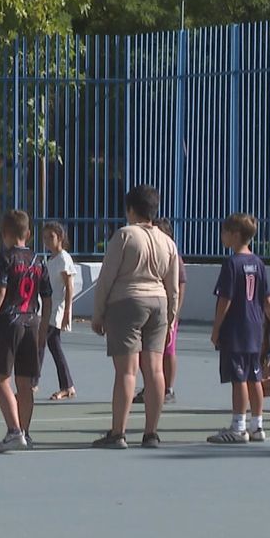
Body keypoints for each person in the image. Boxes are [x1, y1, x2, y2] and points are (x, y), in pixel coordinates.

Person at [91, 185, 180, 449]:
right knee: (154, 370)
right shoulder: (168, 242)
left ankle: (118, 432)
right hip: (159, 303)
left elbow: (106, 278)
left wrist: (98, 314)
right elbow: (173, 287)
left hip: (127, 302)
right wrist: (171, 319)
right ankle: (151, 432)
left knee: (126, 371)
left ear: (130, 209)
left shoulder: (125, 236)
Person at [0, 209, 53, 453]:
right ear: (28, 234)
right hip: (32, 321)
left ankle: (13, 431)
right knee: (25, 382)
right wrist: (44, 326)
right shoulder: (38, 260)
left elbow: (0, 292)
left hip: (9, 322)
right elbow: (47, 297)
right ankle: (25, 432)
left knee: (1, 378)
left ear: (4, 234)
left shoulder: (5, 257)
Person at [206, 213, 270, 445]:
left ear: (235, 235)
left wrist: (216, 329)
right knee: (255, 377)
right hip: (254, 325)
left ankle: (238, 426)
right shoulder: (259, 263)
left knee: (239, 378)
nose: (222, 235)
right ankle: (258, 425)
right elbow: (266, 298)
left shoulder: (232, 264)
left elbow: (225, 299)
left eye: (224, 231)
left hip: (236, 327)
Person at [135, 219, 186, 404]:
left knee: (168, 351)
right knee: (144, 350)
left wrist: (175, 313)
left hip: (167, 311)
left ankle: (168, 389)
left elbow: (180, 286)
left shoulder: (173, 255)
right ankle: (151, 385)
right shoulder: (150, 253)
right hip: (151, 308)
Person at [41, 221, 77, 400]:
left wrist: (66, 312)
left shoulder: (63, 258)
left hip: (58, 309)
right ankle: (67, 385)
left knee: (50, 345)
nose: (47, 241)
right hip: (49, 308)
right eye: (45, 237)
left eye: (51, 237)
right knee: (52, 346)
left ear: (60, 237)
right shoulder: (51, 259)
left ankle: (66, 386)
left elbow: (69, 287)